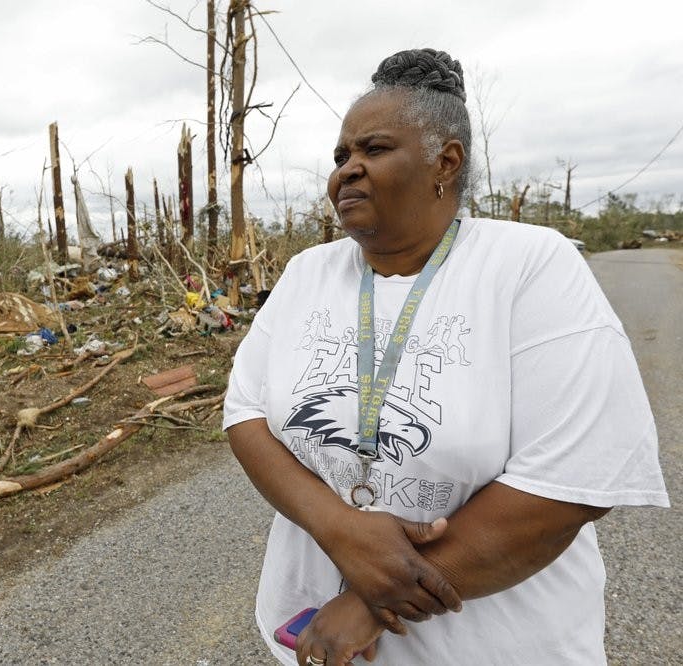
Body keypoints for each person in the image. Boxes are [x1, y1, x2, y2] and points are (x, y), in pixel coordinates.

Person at [223, 48, 668, 665]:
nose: (346, 170)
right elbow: (244, 413)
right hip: (317, 637)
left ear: (445, 161)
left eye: (372, 150)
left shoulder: (529, 265)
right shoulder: (307, 273)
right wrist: (339, 528)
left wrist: (371, 600)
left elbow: (573, 480)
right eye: (340, 157)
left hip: (498, 646)